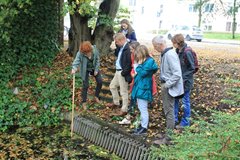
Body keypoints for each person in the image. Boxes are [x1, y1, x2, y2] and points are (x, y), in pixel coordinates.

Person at [152, 36, 184, 145]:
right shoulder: (165, 53)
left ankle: (168, 138)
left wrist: (166, 85)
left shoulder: (170, 55)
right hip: (166, 85)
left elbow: (177, 74)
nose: (154, 49)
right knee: (168, 111)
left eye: (154, 46)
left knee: (169, 112)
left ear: (159, 45)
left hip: (169, 87)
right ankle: (168, 133)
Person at [131, 45, 158, 135]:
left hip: (144, 87)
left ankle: (144, 128)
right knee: (140, 107)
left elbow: (143, 73)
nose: (137, 57)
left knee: (143, 108)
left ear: (142, 53)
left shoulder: (148, 62)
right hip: (140, 86)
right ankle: (142, 125)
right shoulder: (144, 61)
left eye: (138, 54)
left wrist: (137, 66)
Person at [171, 34, 195, 129]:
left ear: (178, 43)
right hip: (179, 81)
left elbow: (192, 68)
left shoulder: (187, 52)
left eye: (174, 43)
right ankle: (174, 119)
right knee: (175, 99)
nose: (173, 45)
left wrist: (182, 77)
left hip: (185, 82)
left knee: (185, 101)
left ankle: (186, 122)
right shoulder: (178, 50)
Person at [71, 41, 102, 110]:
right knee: (85, 85)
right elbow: (76, 61)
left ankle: (96, 96)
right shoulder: (80, 53)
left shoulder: (94, 50)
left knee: (100, 81)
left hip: (94, 68)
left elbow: (97, 60)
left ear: (90, 50)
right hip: (85, 69)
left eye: (87, 53)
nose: (86, 54)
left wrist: (96, 69)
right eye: (84, 53)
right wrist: (74, 68)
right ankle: (84, 102)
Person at [108, 33, 132, 116]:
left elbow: (129, 63)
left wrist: (123, 73)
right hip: (117, 71)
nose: (116, 43)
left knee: (123, 91)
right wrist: (115, 47)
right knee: (112, 86)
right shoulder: (121, 47)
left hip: (122, 72)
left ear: (122, 40)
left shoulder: (127, 49)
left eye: (117, 42)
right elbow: (116, 54)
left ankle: (124, 109)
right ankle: (116, 102)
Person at [118, 41, 140, 125]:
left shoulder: (140, 58)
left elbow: (139, 71)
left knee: (137, 101)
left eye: (131, 49)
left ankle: (135, 119)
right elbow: (133, 68)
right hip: (134, 80)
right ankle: (129, 117)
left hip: (139, 82)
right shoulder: (132, 56)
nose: (130, 51)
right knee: (133, 100)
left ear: (136, 49)